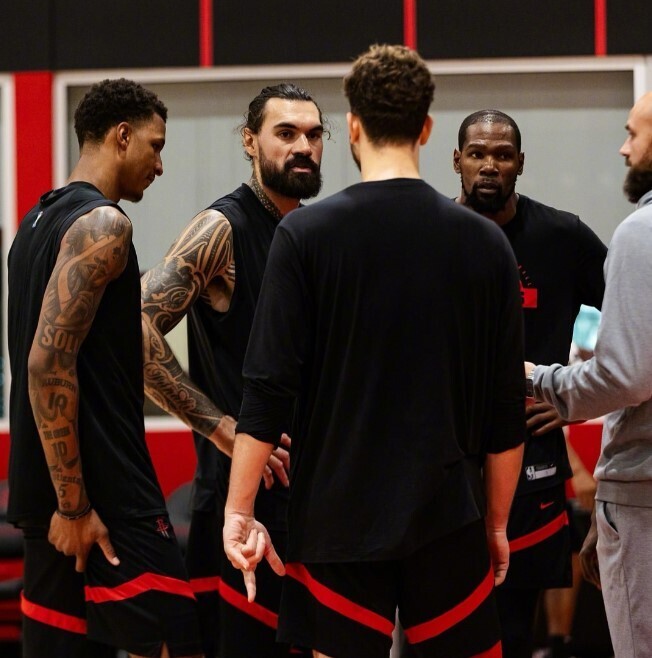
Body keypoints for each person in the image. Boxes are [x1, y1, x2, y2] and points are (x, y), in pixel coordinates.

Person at [223, 44, 526, 658]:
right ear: (427, 128)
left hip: (335, 522)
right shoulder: (486, 243)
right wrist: (497, 523)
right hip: (450, 519)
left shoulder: (303, 234)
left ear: (354, 126)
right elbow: (505, 408)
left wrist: (239, 509)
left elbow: (268, 389)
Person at [7, 79, 202, 658]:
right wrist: (76, 506)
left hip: (54, 501)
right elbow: (47, 363)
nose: (160, 165)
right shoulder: (104, 225)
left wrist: (217, 426)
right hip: (105, 500)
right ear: (122, 136)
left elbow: (107, 351)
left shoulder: (34, 223)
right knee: (175, 646)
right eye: (155, 146)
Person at [141, 83, 324, 657]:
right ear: (250, 141)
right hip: (239, 503)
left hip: (313, 503)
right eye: (285, 133)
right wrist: (222, 429)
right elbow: (130, 331)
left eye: (314, 135)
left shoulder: (313, 234)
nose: (303, 147)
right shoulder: (222, 228)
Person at [453, 109, 607, 658]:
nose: (489, 165)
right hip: (447, 461)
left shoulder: (562, 237)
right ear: (457, 160)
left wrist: (575, 398)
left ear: (520, 163)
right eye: (477, 153)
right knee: (441, 626)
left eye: (502, 155)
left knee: (514, 630)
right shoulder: (432, 236)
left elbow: (636, 326)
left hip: (531, 460)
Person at [528, 90, 652, 658]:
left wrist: (539, 379)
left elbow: (626, 375)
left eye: (634, 132)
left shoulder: (640, 232)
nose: (624, 148)